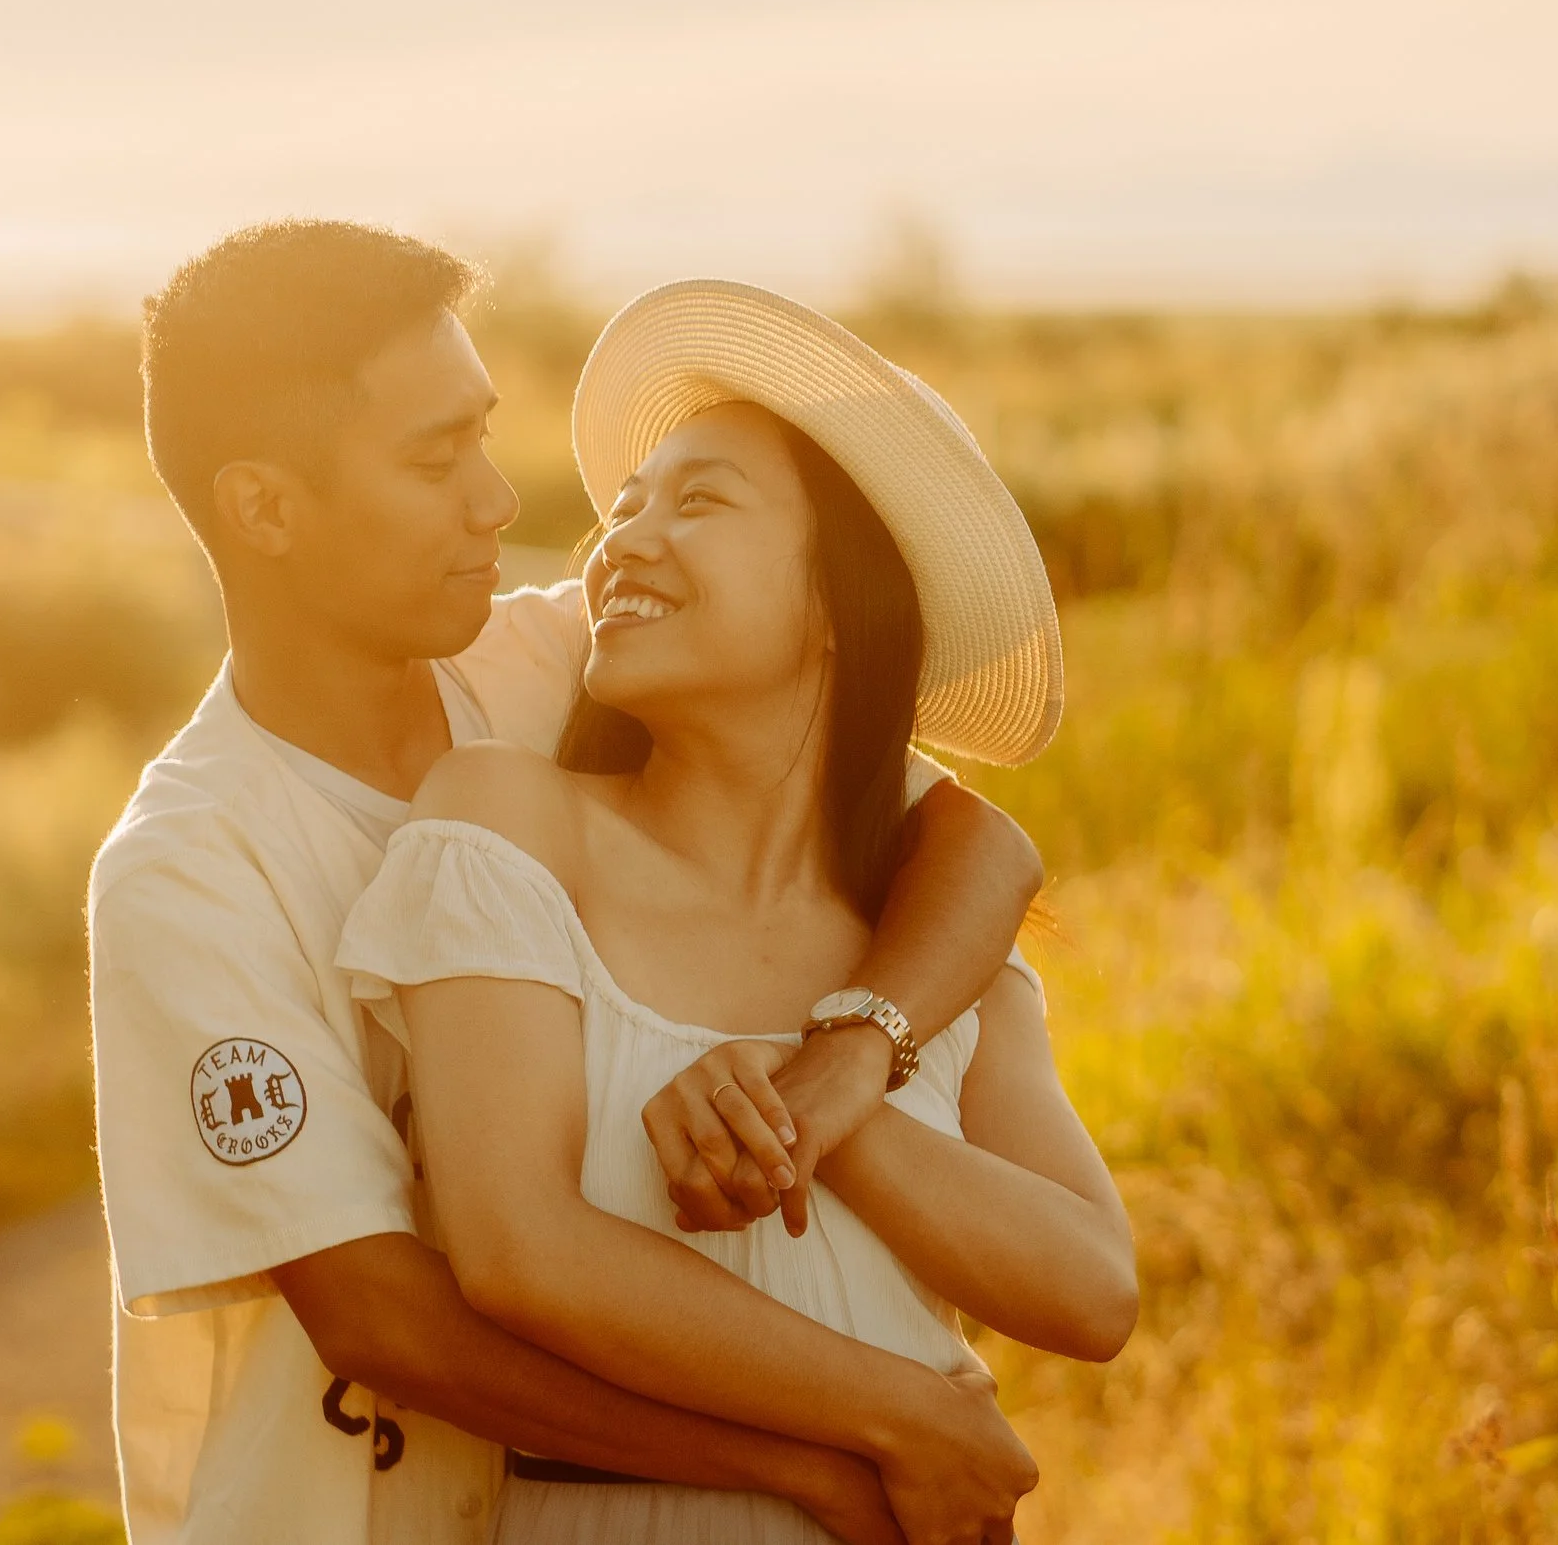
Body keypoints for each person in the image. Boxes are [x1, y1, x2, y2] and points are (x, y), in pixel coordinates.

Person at [88, 224, 1053, 1545]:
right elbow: (386, 1311)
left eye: (483, 436)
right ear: (263, 505)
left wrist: (851, 1055)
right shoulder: (191, 871)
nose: (495, 499)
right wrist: (834, 1445)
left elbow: (975, 840)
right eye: (434, 459)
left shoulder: (556, 671)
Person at [337, 280, 1139, 1545]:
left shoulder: (927, 943)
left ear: (837, 601)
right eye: (624, 507)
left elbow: (1093, 1293)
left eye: (696, 500)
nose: (619, 542)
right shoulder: (505, 827)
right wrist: (896, 1416)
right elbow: (515, 1250)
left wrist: (828, 1098)